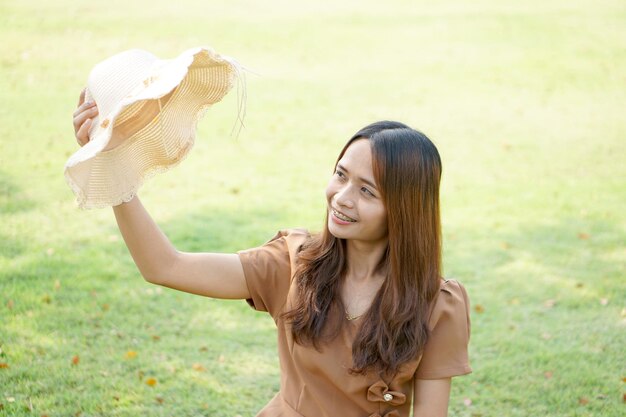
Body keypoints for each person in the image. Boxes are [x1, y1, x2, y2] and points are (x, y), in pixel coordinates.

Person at [72, 91, 472, 417]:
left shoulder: (438, 304)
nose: (342, 198)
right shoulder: (294, 262)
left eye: (367, 191)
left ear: (404, 210)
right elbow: (165, 266)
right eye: (341, 175)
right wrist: (113, 165)